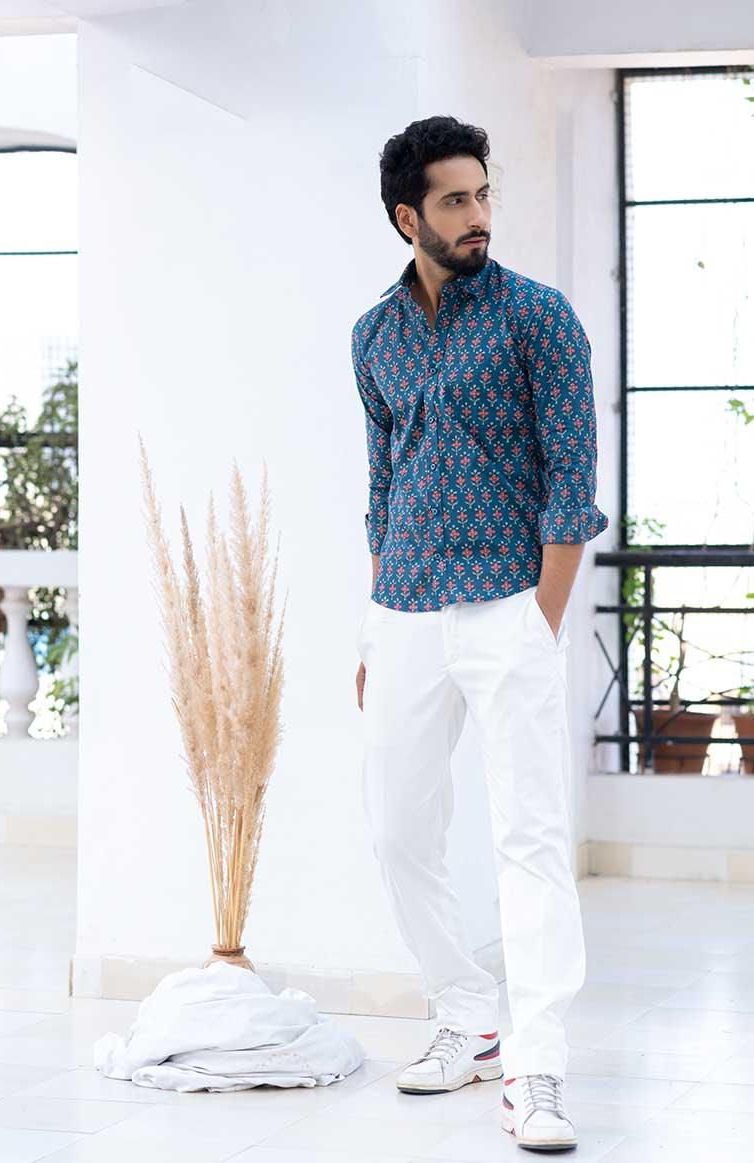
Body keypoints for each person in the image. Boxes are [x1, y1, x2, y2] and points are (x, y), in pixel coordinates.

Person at [351, 115, 609, 1153]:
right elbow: (383, 486)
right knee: (395, 828)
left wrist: (540, 619)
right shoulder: (373, 336)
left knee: (529, 836)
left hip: (509, 603)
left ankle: (538, 1066)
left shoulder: (538, 317)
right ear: (407, 217)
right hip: (404, 607)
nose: (478, 216)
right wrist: (374, 625)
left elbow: (572, 480)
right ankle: (467, 1010)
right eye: (455, 200)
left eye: (483, 194)